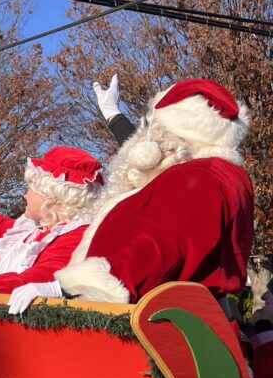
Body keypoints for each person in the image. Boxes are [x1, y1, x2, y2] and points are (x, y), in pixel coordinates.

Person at [57, 78, 253, 305]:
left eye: (153, 128)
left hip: (160, 321)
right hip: (154, 312)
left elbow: (166, 241)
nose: (146, 144)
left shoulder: (202, 175)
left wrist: (88, 285)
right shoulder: (194, 172)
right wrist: (112, 114)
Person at [0, 146, 104, 314]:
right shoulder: (34, 231)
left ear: (52, 196)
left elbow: (43, 276)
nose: (25, 195)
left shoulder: (78, 237)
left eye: (30, 188)